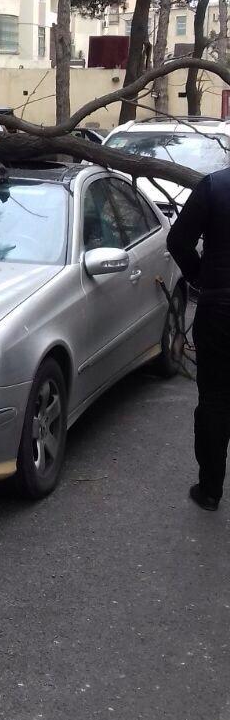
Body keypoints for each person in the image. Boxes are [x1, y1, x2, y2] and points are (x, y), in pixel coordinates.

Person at [167, 167, 230, 510]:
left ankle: (209, 490)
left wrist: (200, 277)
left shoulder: (215, 186)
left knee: (216, 398)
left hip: (219, 308)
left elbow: (177, 241)